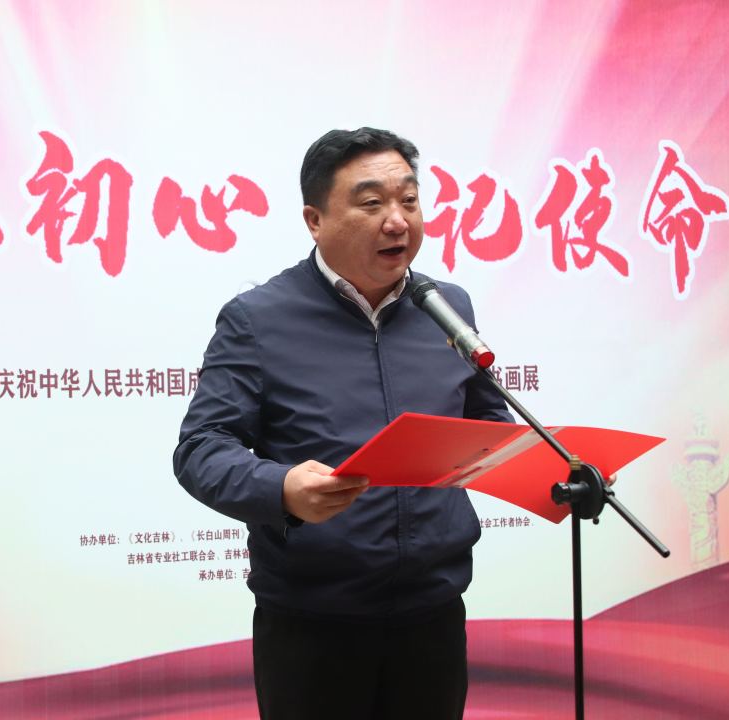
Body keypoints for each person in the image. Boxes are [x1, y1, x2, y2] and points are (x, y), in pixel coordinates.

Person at [173, 128, 512, 719]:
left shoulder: (445, 307)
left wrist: (537, 465)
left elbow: (487, 423)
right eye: (372, 202)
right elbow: (201, 447)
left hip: (433, 616)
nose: (398, 221)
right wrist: (281, 489)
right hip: (313, 628)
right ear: (314, 219)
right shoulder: (258, 319)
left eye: (409, 200)